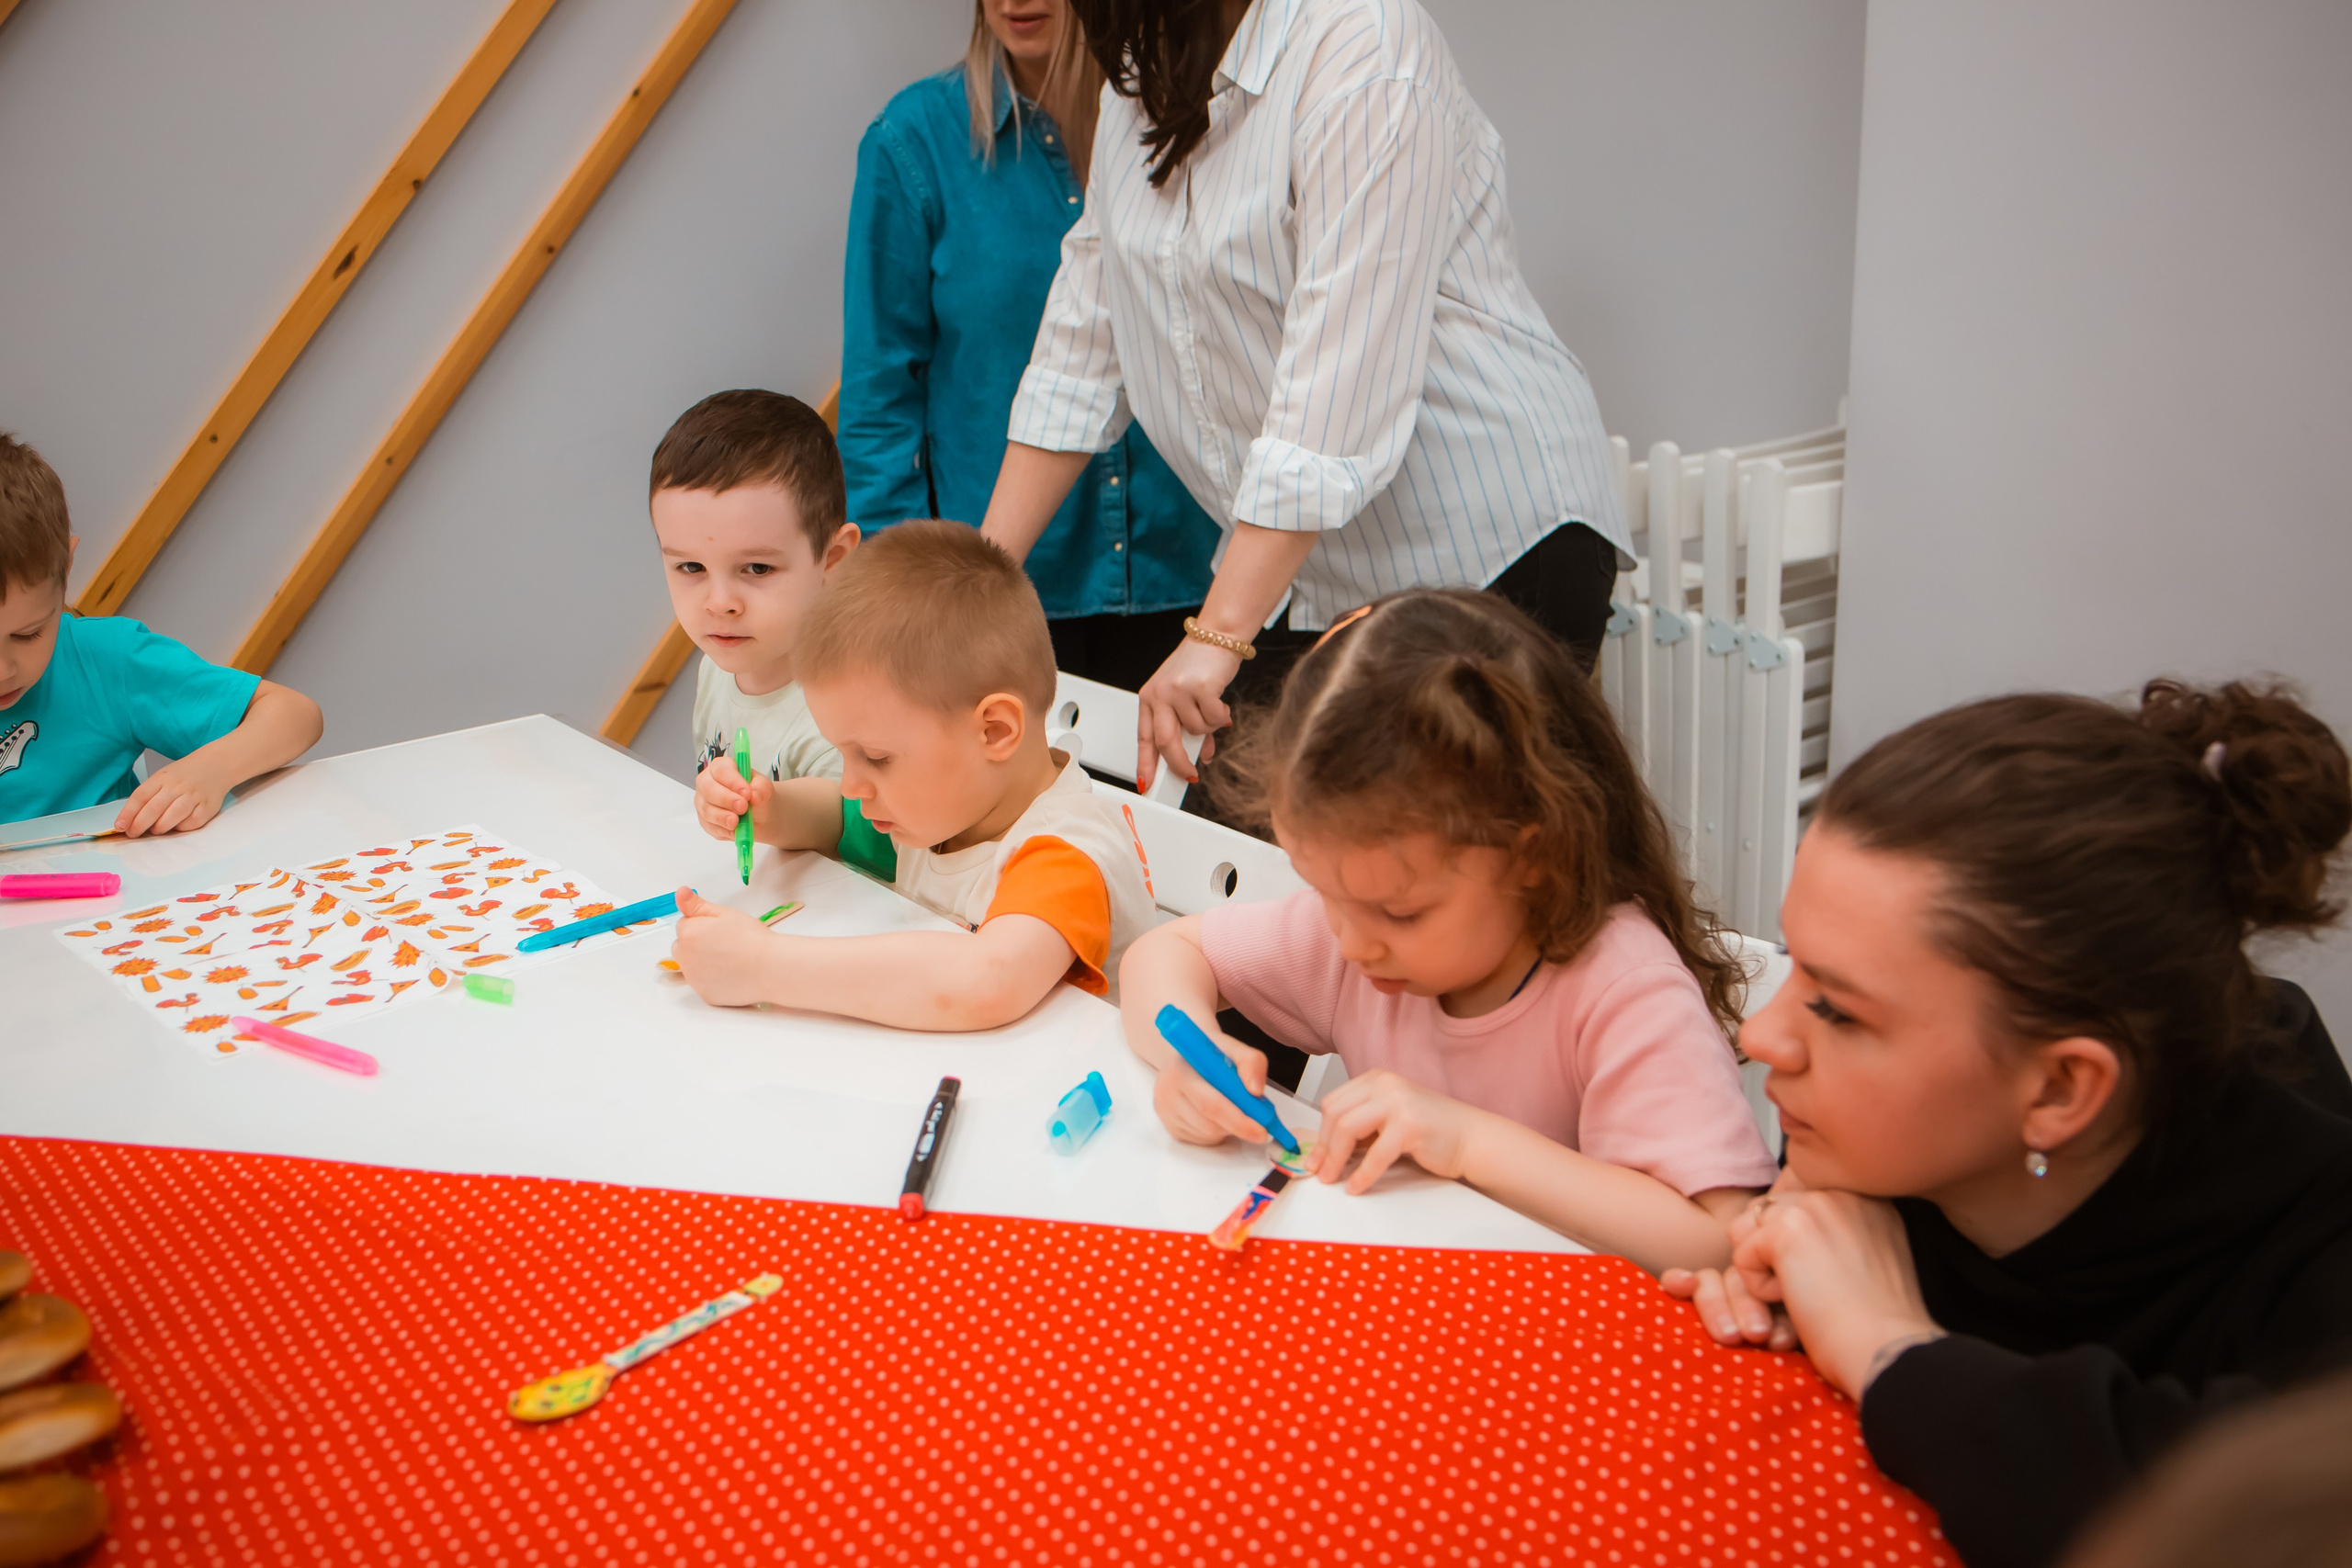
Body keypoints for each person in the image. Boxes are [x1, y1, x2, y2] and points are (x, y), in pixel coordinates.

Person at [1659, 681, 2352, 1568]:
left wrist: (1885, 1343)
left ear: (2061, 1090)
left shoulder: (2314, 1276)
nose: (1760, 1035)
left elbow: (2176, 1516)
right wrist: (1797, 1243)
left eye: (1836, 1009)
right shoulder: (1889, 1141)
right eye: (1796, 965)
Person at [981, 0, 1632, 792]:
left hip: (1484, 551)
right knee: (1258, 858)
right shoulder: (1144, 77)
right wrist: (974, 583)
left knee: (1413, 875)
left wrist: (1213, 641)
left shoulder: (1367, 44)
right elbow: (1082, 341)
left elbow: (1336, 382)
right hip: (1312, 564)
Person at [1116, 591, 1775, 1272]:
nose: (1352, 942)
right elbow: (1163, 953)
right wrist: (1195, 1058)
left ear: (1531, 856)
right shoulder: (1361, 928)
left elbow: (1724, 1240)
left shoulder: (1624, 987)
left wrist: (1468, 1144)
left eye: (1401, 913)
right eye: (1325, 894)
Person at [840, 0, 1217, 692]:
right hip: (1005, 600)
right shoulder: (912, 140)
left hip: (1196, 579)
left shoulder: (1185, 120)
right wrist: (904, 601)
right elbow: (879, 400)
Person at [673, 521, 1157, 1031]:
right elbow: (839, 821)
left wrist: (763, 967)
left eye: (876, 758)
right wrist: (767, 808)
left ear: (994, 731)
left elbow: (984, 982)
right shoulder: (943, 807)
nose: (851, 785)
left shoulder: (1065, 854)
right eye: (844, 755)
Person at [0, 432, 322, 831]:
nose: (2, 671)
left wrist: (211, 770)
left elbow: (295, 715)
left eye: (28, 633)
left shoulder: (105, 662)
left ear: (65, 568)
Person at [652, 389, 860, 792]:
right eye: (691, 567)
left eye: (757, 568)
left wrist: (774, 813)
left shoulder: (854, 711)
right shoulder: (716, 668)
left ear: (832, 559)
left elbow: (841, 826)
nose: (720, 604)